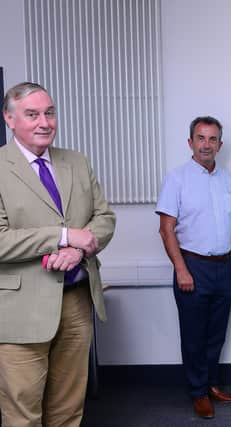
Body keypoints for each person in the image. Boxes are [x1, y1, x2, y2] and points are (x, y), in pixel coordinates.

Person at [0, 82, 116, 426]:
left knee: (68, 410)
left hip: (76, 303)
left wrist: (77, 252)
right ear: (9, 118)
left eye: (49, 113)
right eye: (32, 114)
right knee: (22, 414)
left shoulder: (76, 161)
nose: (44, 122)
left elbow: (104, 218)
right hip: (21, 312)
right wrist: (63, 236)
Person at [156, 116, 231, 419]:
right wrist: (181, 270)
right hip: (192, 265)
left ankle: (211, 384)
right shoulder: (177, 179)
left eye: (212, 139)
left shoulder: (229, 180)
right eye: (200, 138)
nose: (206, 144)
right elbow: (166, 229)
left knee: (216, 334)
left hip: (223, 267)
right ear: (190, 143)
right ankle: (198, 392)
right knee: (194, 335)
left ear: (220, 144)